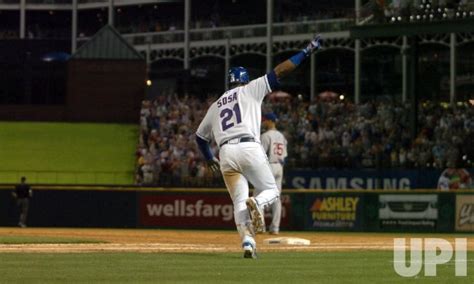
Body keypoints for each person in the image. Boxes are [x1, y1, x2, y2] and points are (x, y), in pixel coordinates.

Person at [195, 35, 321, 259]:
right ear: (244, 80)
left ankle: (248, 243)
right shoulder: (251, 89)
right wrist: (306, 51)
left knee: (238, 202)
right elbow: (281, 70)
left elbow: (200, 138)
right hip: (248, 147)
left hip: (225, 154)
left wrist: (209, 158)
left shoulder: (215, 106)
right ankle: (257, 202)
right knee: (271, 191)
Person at [261, 113, 288, 235]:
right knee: (276, 198)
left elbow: (260, 155)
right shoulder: (281, 136)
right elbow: (285, 156)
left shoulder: (266, 136)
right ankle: (275, 228)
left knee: (258, 196)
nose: (263, 122)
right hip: (279, 167)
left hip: (269, 166)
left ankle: (260, 226)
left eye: (265, 120)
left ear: (271, 121)